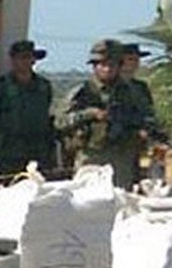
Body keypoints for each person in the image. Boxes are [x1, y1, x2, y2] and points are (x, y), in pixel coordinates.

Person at [61, 38, 160, 188]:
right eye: (102, 65)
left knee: (120, 201)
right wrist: (90, 114)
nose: (107, 69)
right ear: (94, 66)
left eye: (111, 65)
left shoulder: (133, 92)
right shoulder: (83, 92)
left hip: (123, 155)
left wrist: (144, 131)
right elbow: (61, 122)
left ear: (119, 66)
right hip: (92, 155)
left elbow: (148, 118)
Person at [0, 38, 55, 174]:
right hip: (7, 155)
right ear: (13, 60)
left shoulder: (43, 87)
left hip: (37, 154)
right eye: (21, 58)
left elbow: (47, 118)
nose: (26, 62)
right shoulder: (1, 87)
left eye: (29, 58)